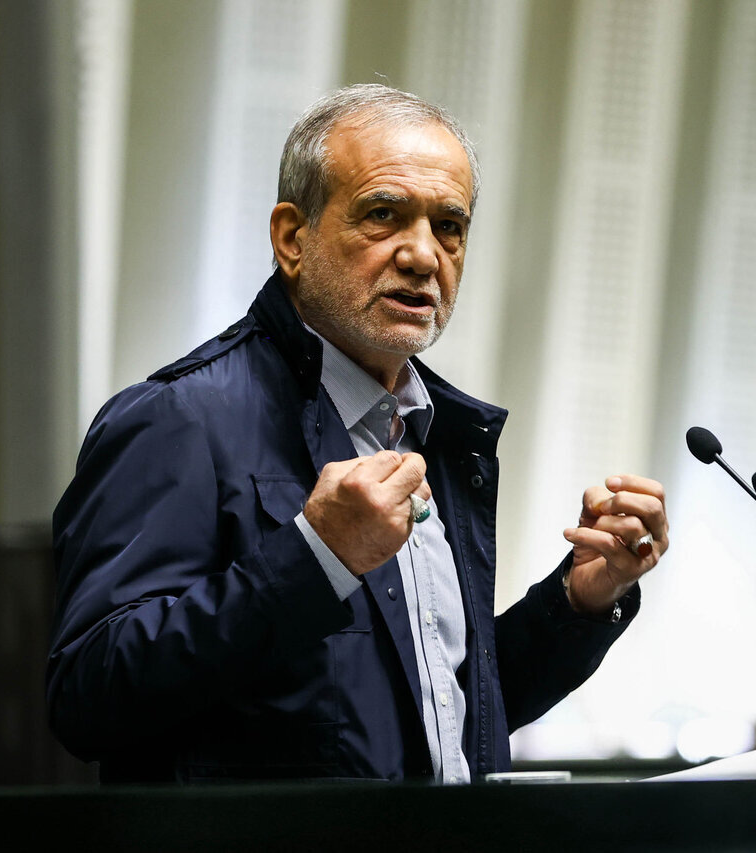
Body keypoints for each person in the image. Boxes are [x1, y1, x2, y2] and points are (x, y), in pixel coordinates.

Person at [48, 83, 669, 783]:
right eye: (383, 215)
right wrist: (315, 556)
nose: (424, 256)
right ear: (293, 238)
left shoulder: (435, 434)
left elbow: (445, 711)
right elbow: (87, 694)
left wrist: (578, 603)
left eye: (449, 226)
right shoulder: (178, 418)